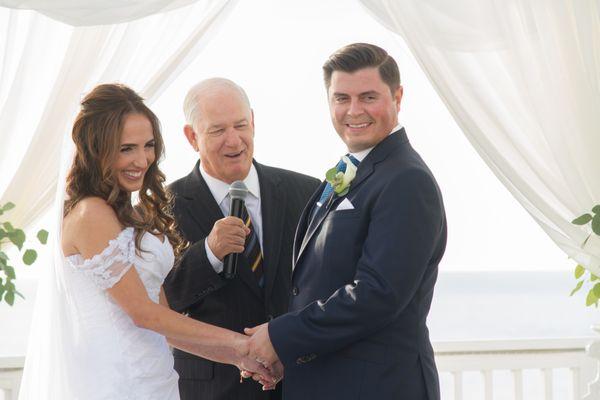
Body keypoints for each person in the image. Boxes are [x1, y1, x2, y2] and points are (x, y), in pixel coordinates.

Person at [18, 83, 274, 400]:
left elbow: (163, 319)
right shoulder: (89, 215)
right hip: (116, 383)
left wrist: (235, 357)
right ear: (97, 149)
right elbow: (142, 313)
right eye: (127, 148)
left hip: (157, 379)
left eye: (148, 145)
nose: (142, 159)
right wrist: (242, 343)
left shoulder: (126, 213)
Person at [245, 43, 447, 400]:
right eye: (341, 98)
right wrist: (288, 354)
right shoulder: (354, 168)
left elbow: (377, 294)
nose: (354, 111)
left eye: (368, 97)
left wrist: (281, 336)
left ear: (398, 97)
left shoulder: (406, 180)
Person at [162, 77, 320, 400]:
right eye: (218, 130)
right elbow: (161, 304)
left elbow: (324, 284)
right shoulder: (163, 208)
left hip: (301, 384)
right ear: (192, 136)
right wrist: (209, 253)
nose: (234, 141)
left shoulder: (306, 191)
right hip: (215, 389)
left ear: (253, 122)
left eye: (241, 125)